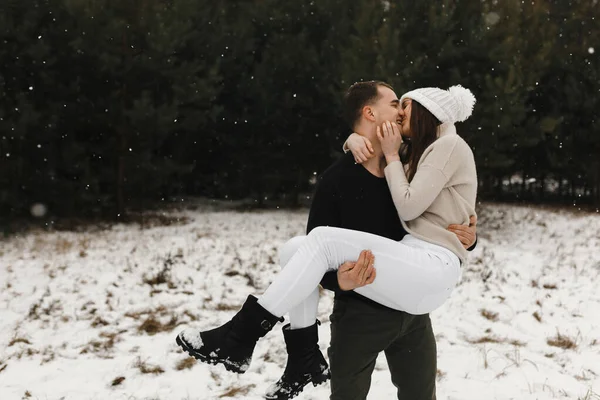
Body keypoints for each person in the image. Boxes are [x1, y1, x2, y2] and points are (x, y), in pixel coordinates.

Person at [176, 81, 478, 400]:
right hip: (372, 297)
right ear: (370, 113)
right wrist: (340, 282)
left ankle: (242, 334)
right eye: (394, 104)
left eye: (404, 107)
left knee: (320, 241)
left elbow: (436, 203)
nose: (400, 114)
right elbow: (317, 256)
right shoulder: (347, 176)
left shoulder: (405, 158)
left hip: (417, 287)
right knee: (296, 248)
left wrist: (468, 236)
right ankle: (302, 354)